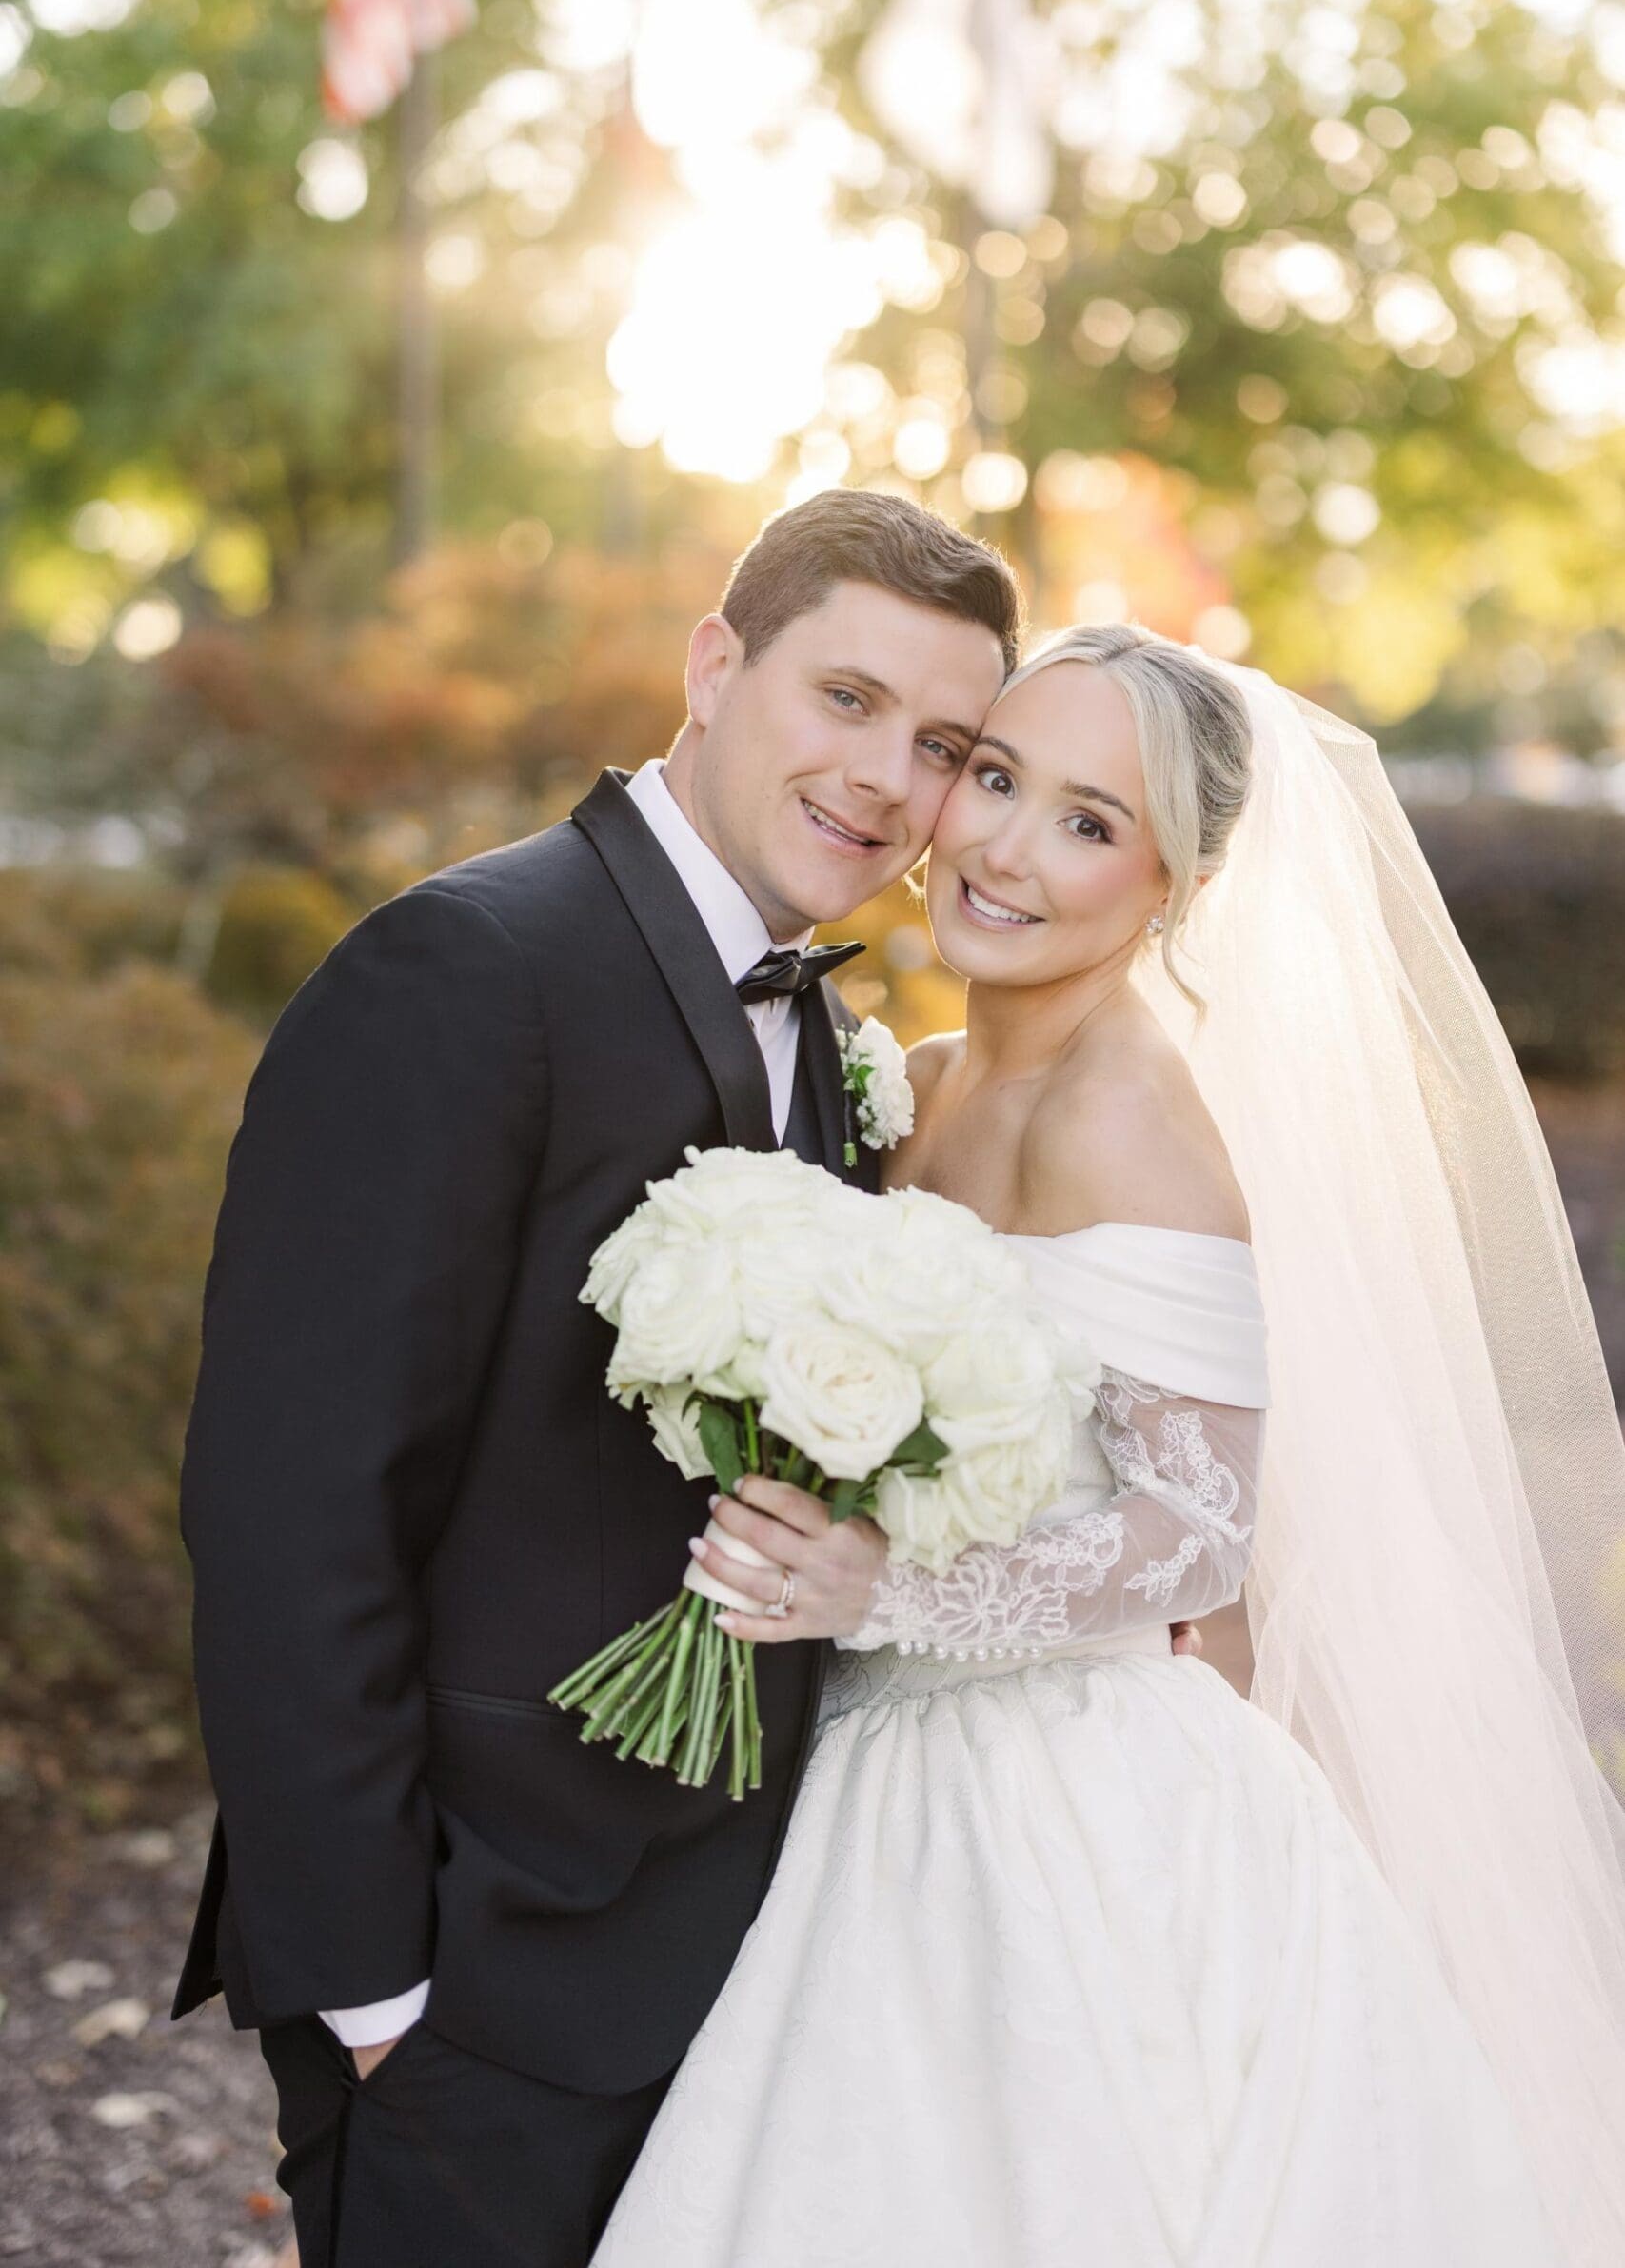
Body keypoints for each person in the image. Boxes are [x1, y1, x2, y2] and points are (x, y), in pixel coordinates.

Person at [592, 625, 1625, 2266]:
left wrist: (880, 1589)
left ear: (1173, 886)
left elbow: (1198, 1534)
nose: (1003, 847)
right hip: (856, 1758)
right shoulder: (902, 1084)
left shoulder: (1133, 1121)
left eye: (1089, 821)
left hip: (1059, 1806)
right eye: (996, 778)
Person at [171, 489, 1042, 2268]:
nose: (886, 778)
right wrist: (374, 1986)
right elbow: (290, 1507)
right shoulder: (465, 970)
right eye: (846, 699)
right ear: (716, 666)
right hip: (478, 1971)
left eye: (942, 743)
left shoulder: (826, 1024)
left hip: (734, 1962)